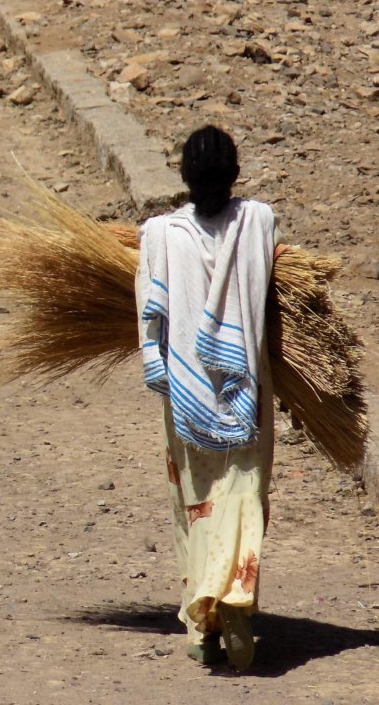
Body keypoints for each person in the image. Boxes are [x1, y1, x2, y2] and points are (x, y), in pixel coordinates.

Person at [136, 125, 278, 671]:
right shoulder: (258, 222)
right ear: (236, 174)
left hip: (188, 396)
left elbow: (150, 323)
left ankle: (203, 622)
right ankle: (236, 597)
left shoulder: (158, 235)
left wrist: (163, 373)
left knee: (195, 504)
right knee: (244, 497)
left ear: (184, 177)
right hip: (245, 387)